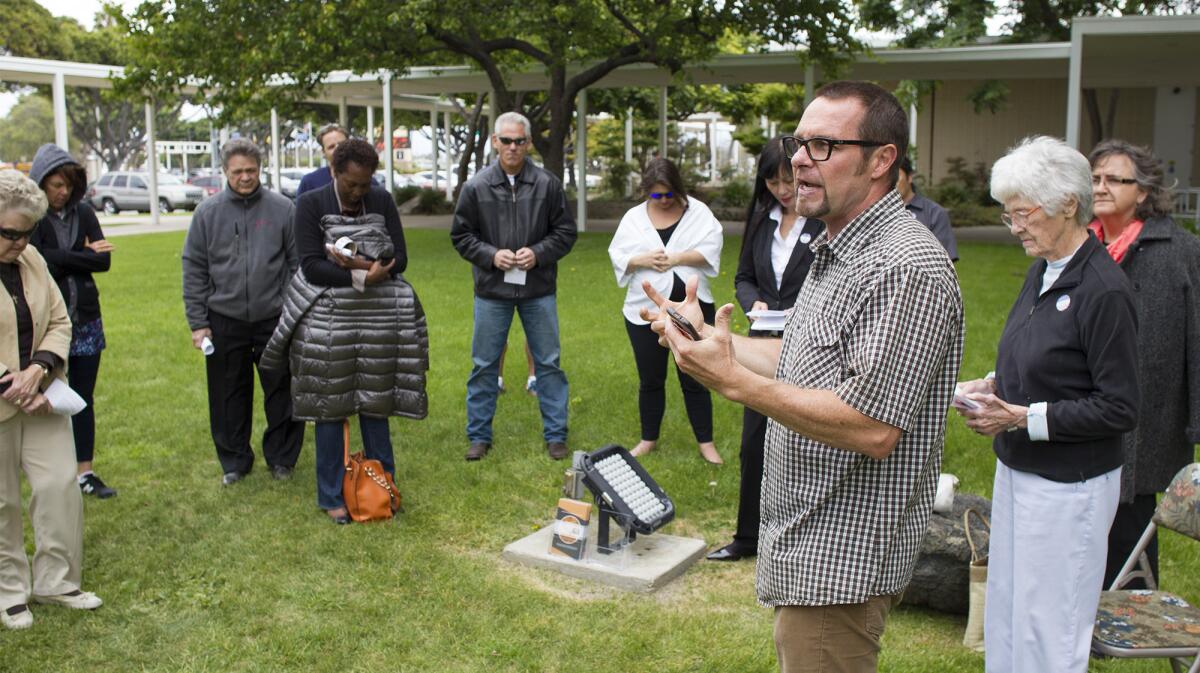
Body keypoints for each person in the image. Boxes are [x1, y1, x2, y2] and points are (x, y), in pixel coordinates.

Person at [644, 81, 963, 673]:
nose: (796, 159)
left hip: (842, 554)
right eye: (798, 143)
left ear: (880, 161)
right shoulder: (842, 246)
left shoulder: (906, 267)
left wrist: (734, 385)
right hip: (807, 540)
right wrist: (719, 344)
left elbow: (871, 426)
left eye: (822, 145)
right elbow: (804, 357)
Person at [955, 136, 1139, 673]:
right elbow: (1045, 359)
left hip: (1069, 487)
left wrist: (1021, 417)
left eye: (1022, 213)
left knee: (1050, 627)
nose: (1014, 227)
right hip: (1019, 469)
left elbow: (1119, 407)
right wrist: (994, 384)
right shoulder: (1043, 269)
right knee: (1010, 610)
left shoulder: (1104, 291)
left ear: (1068, 205)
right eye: (1008, 213)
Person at [263, 137, 427, 525]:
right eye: (351, 183)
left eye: (364, 184)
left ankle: (382, 485)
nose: (357, 192)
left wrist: (380, 266)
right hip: (328, 320)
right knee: (329, 406)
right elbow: (310, 265)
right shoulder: (310, 202)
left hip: (376, 317)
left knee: (376, 401)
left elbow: (400, 256)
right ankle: (331, 495)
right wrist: (358, 273)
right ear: (335, 172)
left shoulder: (382, 200)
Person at [1087, 139, 1200, 590]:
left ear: (1145, 192)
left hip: (1150, 408)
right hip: (1086, 398)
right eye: (1095, 178)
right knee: (1089, 499)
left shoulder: (1180, 250)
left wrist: (1195, 421)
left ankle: (1132, 600)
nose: (1101, 187)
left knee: (1133, 503)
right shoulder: (1081, 243)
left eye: (1115, 179)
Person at [707, 137, 824, 562]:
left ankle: (802, 535)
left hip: (810, 343)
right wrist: (750, 301)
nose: (782, 190)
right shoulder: (760, 220)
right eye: (772, 182)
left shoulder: (824, 224)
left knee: (804, 436)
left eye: (787, 180)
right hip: (762, 339)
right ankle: (747, 537)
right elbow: (743, 276)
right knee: (754, 440)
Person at [0, 169, 103, 630]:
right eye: (10, 235)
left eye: (26, 235)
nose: (20, 244)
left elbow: (60, 322)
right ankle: (8, 591)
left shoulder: (34, 260)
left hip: (42, 396)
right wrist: (13, 387)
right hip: (8, 402)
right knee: (2, 503)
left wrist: (39, 372)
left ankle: (56, 581)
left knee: (60, 486)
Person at [450, 111, 577, 462]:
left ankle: (556, 435)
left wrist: (538, 253)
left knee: (549, 363)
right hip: (492, 291)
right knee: (484, 365)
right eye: (506, 140)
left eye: (519, 141)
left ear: (529, 143)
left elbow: (566, 232)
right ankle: (478, 437)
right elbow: (461, 236)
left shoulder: (548, 184)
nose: (513, 147)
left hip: (538, 289)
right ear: (494, 142)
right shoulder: (476, 187)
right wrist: (492, 256)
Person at [182, 138, 305, 486]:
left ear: (260, 169)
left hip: (275, 318)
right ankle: (234, 461)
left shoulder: (283, 208)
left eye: (251, 170)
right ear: (225, 172)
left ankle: (282, 458)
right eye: (238, 172)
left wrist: (289, 308)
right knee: (227, 394)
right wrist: (198, 323)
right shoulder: (207, 213)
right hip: (224, 319)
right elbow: (194, 267)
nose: (245, 177)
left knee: (282, 390)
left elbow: (297, 264)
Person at [608, 158, 725, 465]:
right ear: (646, 191)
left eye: (668, 194)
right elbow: (618, 255)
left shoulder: (698, 213)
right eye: (655, 195)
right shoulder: (634, 218)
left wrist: (675, 258)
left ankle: (706, 443)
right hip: (643, 311)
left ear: (678, 189)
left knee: (695, 377)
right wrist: (642, 259)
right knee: (650, 379)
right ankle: (648, 439)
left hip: (693, 308)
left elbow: (711, 249)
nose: (662, 201)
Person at [28, 144, 116, 499]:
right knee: (49, 396)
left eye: (67, 185)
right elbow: (36, 260)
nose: (62, 192)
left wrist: (67, 258)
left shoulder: (84, 213)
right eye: (55, 185)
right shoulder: (32, 217)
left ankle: (85, 471)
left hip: (87, 320)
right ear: (41, 184)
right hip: (46, 325)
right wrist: (81, 254)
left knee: (83, 397)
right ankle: (53, 471)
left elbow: (103, 262)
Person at [897, 156, 958, 261]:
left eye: (896, 177)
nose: (891, 183)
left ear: (910, 177)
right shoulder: (876, 213)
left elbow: (944, 262)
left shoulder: (934, 213)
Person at [296, 124, 348, 198]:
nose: (338, 149)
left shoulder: (364, 180)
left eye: (342, 144)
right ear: (323, 153)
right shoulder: (309, 182)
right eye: (331, 147)